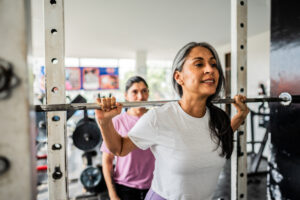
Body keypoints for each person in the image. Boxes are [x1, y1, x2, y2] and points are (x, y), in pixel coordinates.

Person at [95, 42, 249, 200]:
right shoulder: (159, 117)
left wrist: (240, 116)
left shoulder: (219, 119)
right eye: (199, 64)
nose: (210, 69)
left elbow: (217, 137)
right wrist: (104, 123)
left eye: (213, 64)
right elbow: (119, 149)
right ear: (179, 77)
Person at [100, 76, 155, 200]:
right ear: (126, 95)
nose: (141, 96)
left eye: (144, 91)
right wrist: (112, 194)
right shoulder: (117, 121)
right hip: (125, 188)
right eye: (135, 92)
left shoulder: (155, 119)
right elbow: (107, 160)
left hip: (155, 186)